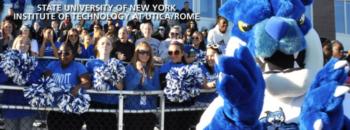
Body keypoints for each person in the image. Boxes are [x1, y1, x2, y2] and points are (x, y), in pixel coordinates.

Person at [45, 43, 91, 130]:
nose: (63, 55)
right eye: (60, 53)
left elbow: (87, 83)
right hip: (55, 109)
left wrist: (77, 87)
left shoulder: (78, 66)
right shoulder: (52, 65)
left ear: (73, 54)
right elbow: (44, 80)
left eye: (66, 53)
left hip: (72, 110)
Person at [0, 36, 38, 130]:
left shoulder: (33, 62)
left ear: (29, 47)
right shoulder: (5, 62)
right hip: (10, 105)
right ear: (14, 45)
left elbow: (35, 80)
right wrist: (10, 69)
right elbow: (1, 79)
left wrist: (23, 71)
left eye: (27, 43)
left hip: (27, 106)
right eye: (21, 42)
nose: (24, 45)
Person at [159, 42, 199, 130]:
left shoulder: (189, 68)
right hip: (169, 108)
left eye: (176, 52)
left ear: (182, 54)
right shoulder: (163, 68)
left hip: (185, 107)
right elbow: (163, 87)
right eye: (170, 52)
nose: (173, 55)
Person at [84, 37, 122, 130]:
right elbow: (86, 84)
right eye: (102, 43)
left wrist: (110, 77)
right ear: (97, 46)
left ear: (112, 47)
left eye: (108, 44)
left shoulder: (117, 63)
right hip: (94, 102)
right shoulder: (90, 63)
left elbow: (121, 87)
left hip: (111, 104)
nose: (105, 46)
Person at [123, 41, 160, 130]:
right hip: (131, 111)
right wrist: (140, 73)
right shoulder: (129, 68)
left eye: (148, 52)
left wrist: (145, 83)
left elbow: (157, 91)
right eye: (142, 52)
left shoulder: (155, 70)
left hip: (149, 111)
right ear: (137, 53)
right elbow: (128, 88)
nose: (145, 55)